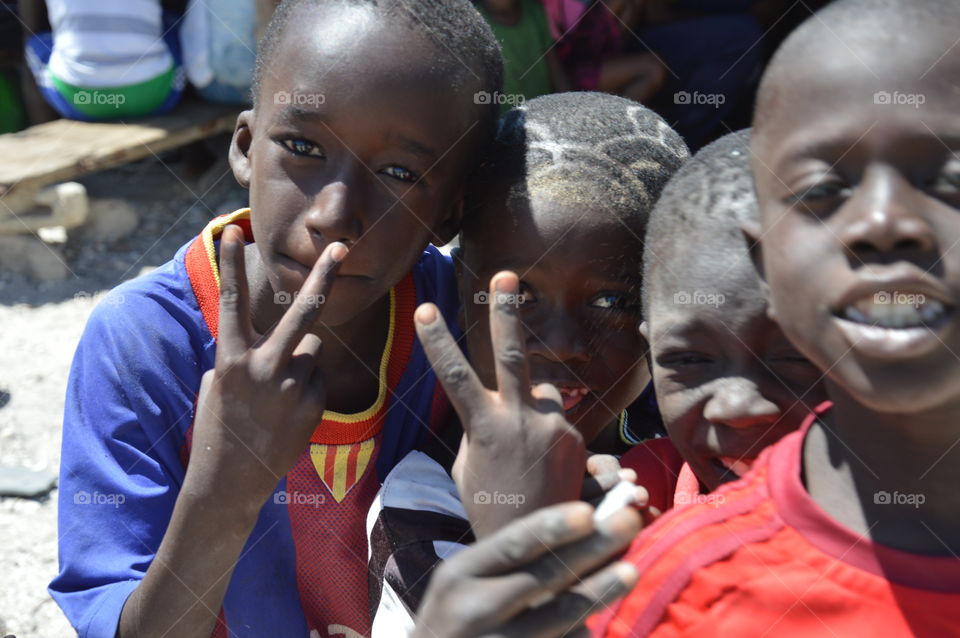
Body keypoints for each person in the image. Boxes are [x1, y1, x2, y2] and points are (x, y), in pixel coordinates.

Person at [411, 1, 960, 635]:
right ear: (774, 257)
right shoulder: (669, 574)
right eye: (824, 192)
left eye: (948, 177)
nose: (883, 225)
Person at [49, 1, 503, 636]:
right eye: (302, 146)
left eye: (399, 173)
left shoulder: (452, 320)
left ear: (452, 213)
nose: (333, 215)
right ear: (244, 148)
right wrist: (227, 485)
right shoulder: (145, 343)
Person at [366, 92, 689, 634]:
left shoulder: (690, 458)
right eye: (518, 296)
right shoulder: (422, 511)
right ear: (461, 286)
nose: (560, 344)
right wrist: (520, 537)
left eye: (612, 300)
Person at [621, 129, 828, 514]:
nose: (736, 406)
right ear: (651, 360)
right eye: (689, 360)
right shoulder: (647, 498)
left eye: (795, 356)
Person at [23, 0, 186, 121]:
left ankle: (47, 145)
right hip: (156, 95)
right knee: (175, 22)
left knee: (32, 44)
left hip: (81, 101)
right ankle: (194, 160)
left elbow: (32, 24)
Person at [476, 0, 569, 111]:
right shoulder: (475, 21)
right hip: (501, 121)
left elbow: (554, 66)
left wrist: (568, 104)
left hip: (543, 113)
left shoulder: (535, 11)